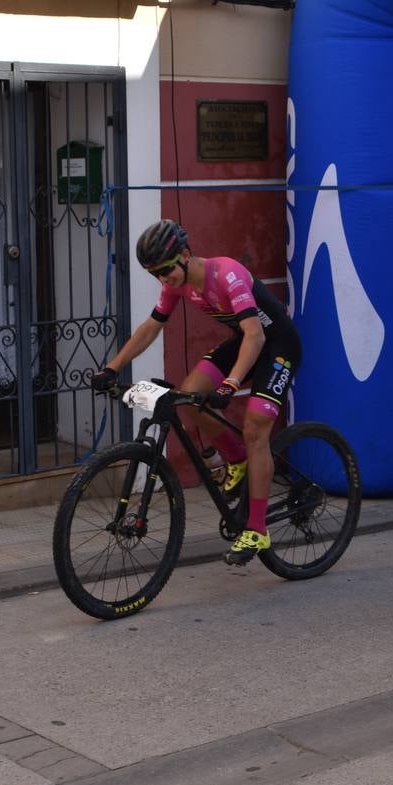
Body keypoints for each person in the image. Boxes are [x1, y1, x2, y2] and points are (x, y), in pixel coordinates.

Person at [90, 220, 301, 566]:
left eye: (164, 271)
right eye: (154, 274)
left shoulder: (226, 275)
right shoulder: (177, 284)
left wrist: (230, 384)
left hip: (276, 345)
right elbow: (150, 328)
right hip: (243, 343)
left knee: (255, 427)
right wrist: (112, 367)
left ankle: (258, 528)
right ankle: (237, 459)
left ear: (185, 255)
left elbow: (256, 335)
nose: (162, 280)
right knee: (187, 398)